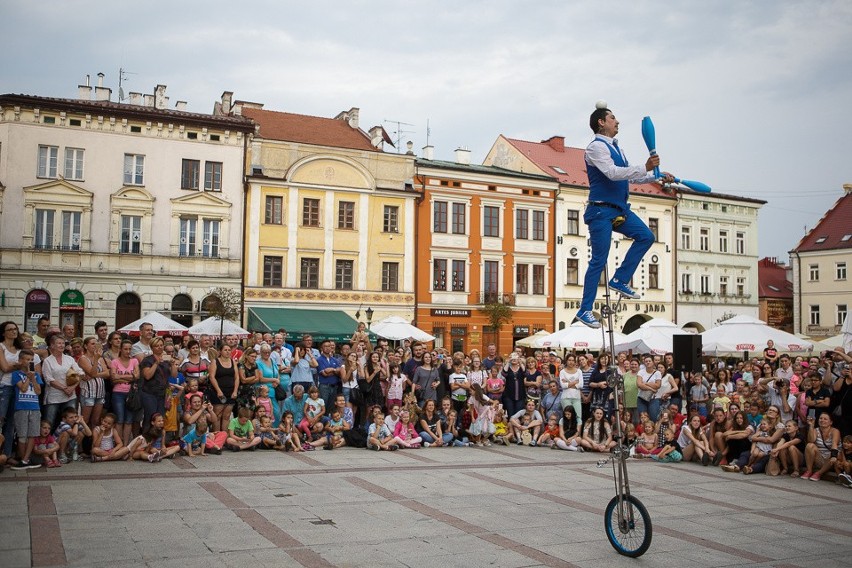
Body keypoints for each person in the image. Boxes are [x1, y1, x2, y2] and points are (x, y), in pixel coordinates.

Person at [576, 103, 674, 328]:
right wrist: (645, 166)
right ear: (601, 122)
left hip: (619, 208)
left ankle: (619, 279)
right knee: (599, 260)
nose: (617, 121)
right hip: (601, 210)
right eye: (612, 118)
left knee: (647, 236)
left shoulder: (617, 148)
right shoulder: (596, 148)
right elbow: (612, 173)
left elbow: (629, 177)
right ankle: (584, 309)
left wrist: (656, 177)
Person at [10, 349, 43, 469]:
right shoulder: (16, 374)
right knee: (22, 435)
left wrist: (33, 378)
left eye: (31, 360)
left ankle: (26, 459)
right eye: (27, 360)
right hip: (21, 407)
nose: (30, 362)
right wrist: (28, 378)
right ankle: (23, 459)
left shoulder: (37, 375)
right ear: (20, 361)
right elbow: (23, 388)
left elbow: (38, 391)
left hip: (34, 407)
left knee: (32, 434)